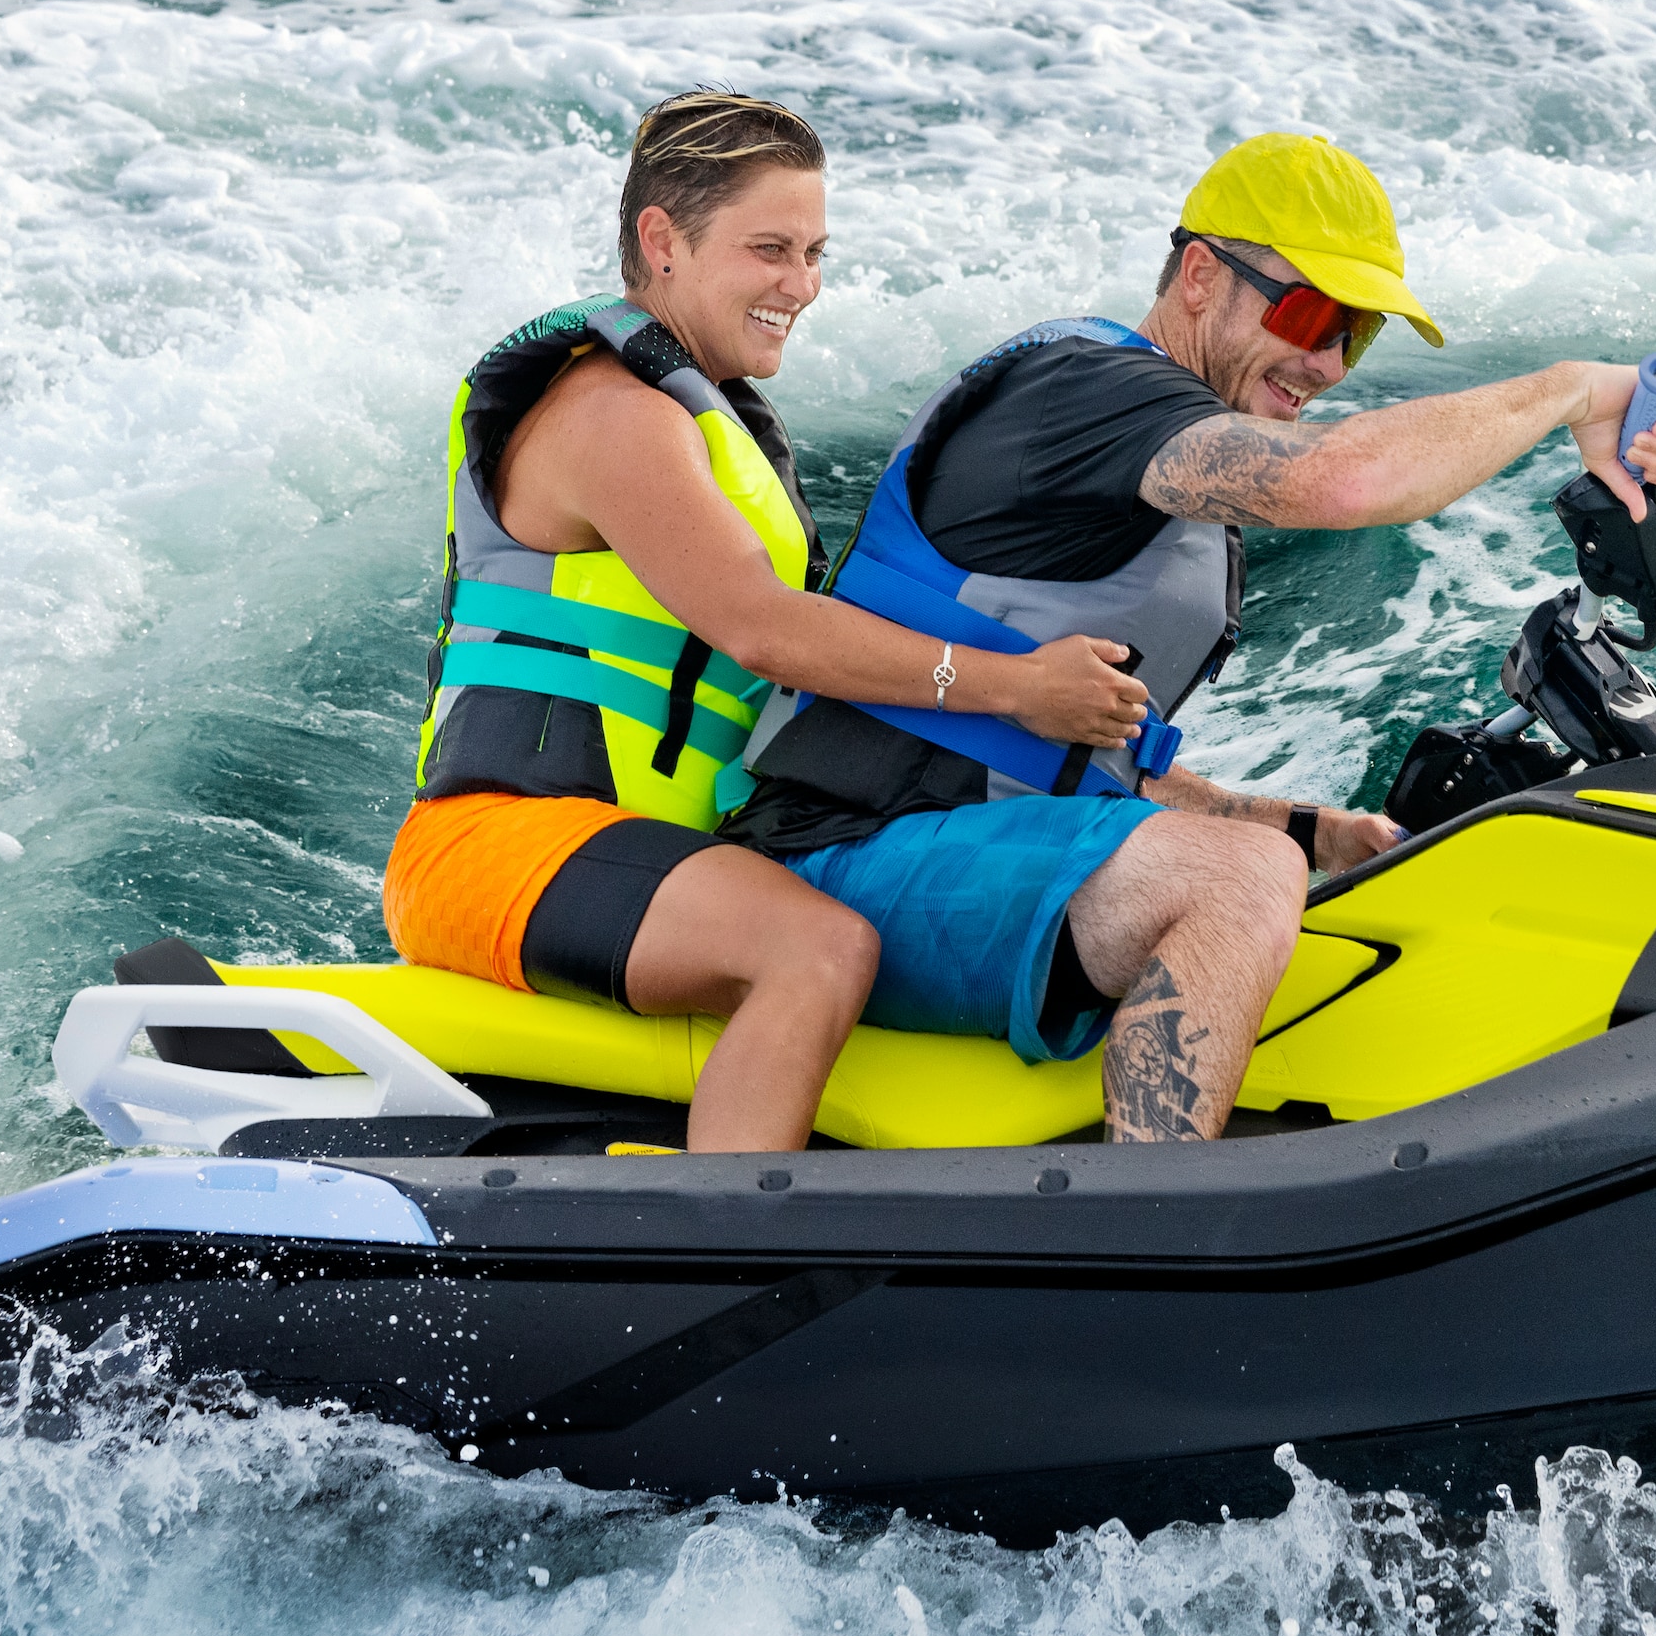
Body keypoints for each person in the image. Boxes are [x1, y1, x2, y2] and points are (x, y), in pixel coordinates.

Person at [735, 132, 1656, 1142]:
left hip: (951, 841)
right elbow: (1338, 480)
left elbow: (1065, 756)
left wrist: (1298, 827)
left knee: (1272, 860)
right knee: (1239, 881)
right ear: (1199, 275)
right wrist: (1572, 392)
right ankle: (1141, 1229)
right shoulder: (1085, 395)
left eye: (1353, 336)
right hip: (839, 857)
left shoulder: (1146, 445)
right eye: (1309, 313)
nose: (1323, 362)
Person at [385, 91, 1150, 1151]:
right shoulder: (609, 415)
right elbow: (762, 630)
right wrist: (1015, 686)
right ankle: (713, 1242)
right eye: (770, 250)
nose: (803, 285)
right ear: (663, 241)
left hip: (661, 852)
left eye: (815, 252)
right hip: (500, 842)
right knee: (816, 948)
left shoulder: (708, 424)